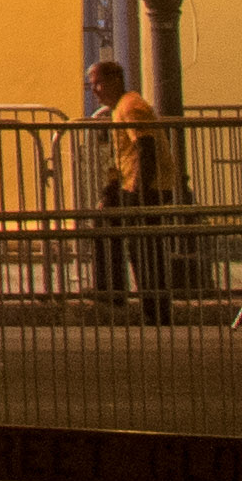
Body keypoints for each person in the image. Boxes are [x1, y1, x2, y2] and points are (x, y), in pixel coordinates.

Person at [90, 57, 170, 318]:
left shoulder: (130, 106)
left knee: (146, 251)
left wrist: (138, 191)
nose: (94, 90)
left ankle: (154, 309)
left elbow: (145, 149)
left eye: (98, 83)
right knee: (137, 247)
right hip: (135, 185)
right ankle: (120, 297)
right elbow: (124, 154)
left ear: (115, 81)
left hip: (147, 187)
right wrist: (112, 189)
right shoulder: (120, 108)